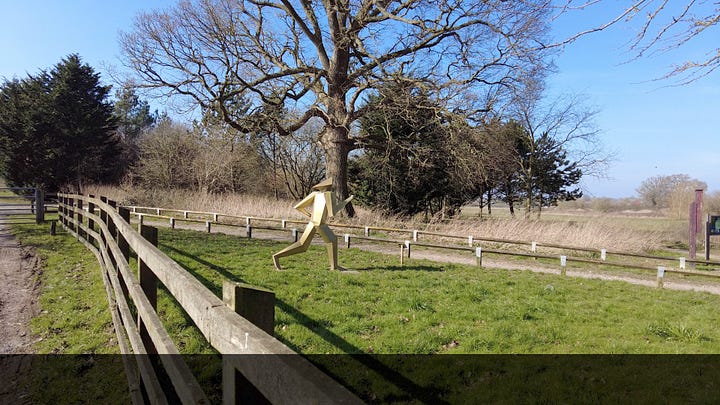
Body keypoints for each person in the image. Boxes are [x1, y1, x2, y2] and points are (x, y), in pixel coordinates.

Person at [272, 179, 353, 271]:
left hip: (312, 222)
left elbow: (298, 207)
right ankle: (334, 267)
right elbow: (332, 213)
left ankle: (276, 256)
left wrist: (308, 214)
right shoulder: (328, 194)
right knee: (332, 240)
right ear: (328, 186)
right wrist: (347, 201)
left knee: (302, 245)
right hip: (320, 224)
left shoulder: (315, 194)